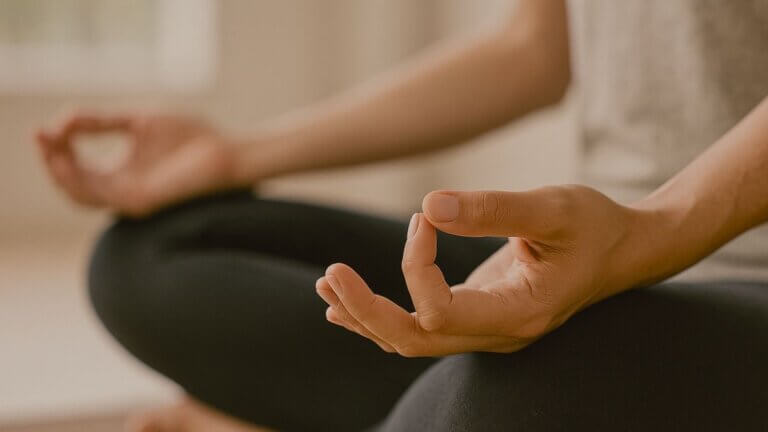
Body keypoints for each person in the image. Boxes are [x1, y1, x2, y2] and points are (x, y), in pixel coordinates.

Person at [36, 0, 768, 431]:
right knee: (149, 256)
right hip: (606, 252)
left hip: (738, 275)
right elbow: (535, 46)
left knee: (486, 401)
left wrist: (650, 232)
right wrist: (241, 155)